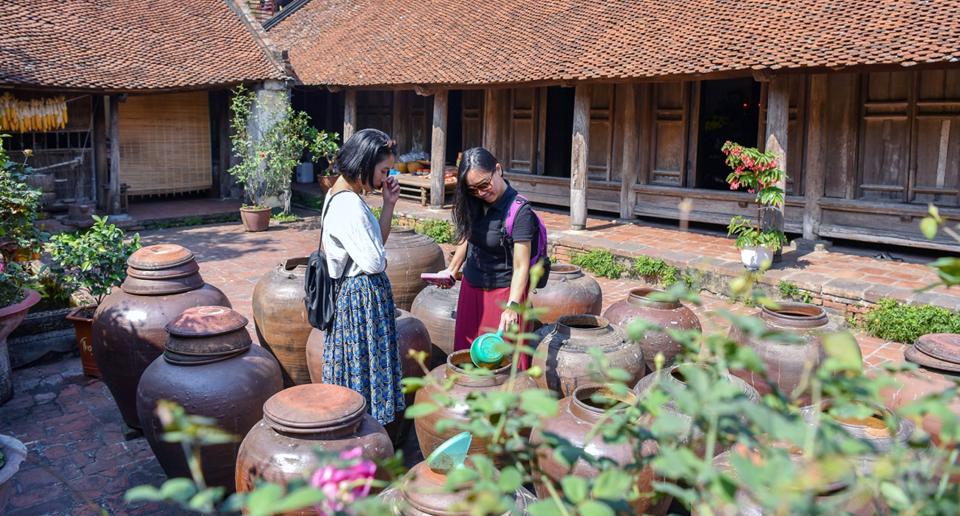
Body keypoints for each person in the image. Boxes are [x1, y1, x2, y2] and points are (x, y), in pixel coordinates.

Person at [321, 128, 405, 426]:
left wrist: (389, 205)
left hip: (361, 297)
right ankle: (363, 435)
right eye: (383, 170)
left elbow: (374, 246)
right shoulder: (347, 205)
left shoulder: (346, 196)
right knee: (365, 370)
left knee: (363, 368)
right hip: (360, 301)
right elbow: (373, 260)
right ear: (364, 164)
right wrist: (380, 258)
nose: (385, 177)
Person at [439, 147, 544, 369]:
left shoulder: (520, 211)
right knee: (467, 356)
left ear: (498, 170)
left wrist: (512, 306)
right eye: (473, 189)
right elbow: (468, 236)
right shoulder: (475, 202)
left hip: (504, 293)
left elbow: (521, 266)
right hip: (471, 287)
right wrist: (452, 269)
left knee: (501, 362)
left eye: (484, 185)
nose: (480, 193)